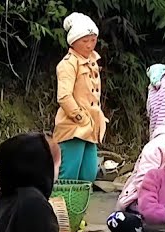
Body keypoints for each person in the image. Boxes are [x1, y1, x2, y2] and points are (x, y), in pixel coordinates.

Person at [53, 12, 106, 182]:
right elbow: (64, 96)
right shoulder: (68, 64)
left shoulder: (92, 61)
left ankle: (80, 208)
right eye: (85, 41)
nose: (90, 45)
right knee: (68, 176)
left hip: (91, 127)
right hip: (73, 127)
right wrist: (81, 117)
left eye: (93, 40)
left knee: (88, 175)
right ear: (73, 41)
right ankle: (60, 207)